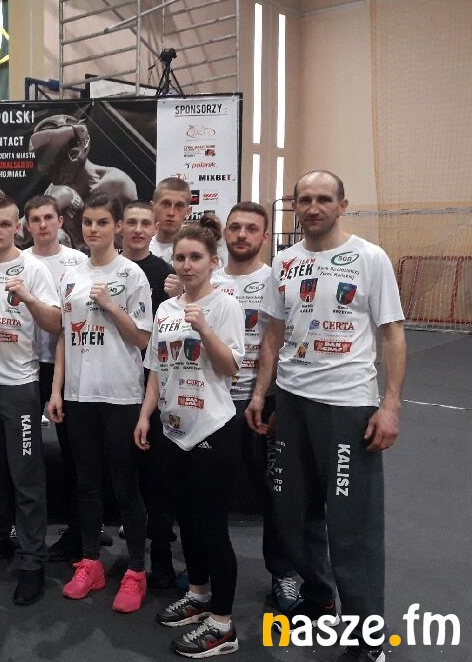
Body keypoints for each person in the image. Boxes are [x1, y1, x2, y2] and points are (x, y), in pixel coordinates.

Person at [246, 171, 406, 662]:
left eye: (323, 199)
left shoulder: (369, 258)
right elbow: (274, 334)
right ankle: (320, 600)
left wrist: (390, 404)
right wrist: (262, 394)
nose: (312, 207)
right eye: (304, 199)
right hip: (292, 403)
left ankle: (367, 636)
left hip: (347, 405)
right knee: (296, 514)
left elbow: (393, 334)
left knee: (351, 526)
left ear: (342, 205)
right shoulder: (285, 262)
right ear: (294, 206)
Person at [135, 216, 245, 658]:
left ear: (213, 261)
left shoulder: (225, 305)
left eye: (195, 257)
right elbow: (157, 369)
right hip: (173, 430)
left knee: (211, 526)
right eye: (180, 257)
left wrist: (205, 330)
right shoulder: (166, 309)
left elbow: (231, 368)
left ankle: (223, 624)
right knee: (186, 520)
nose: (186, 264)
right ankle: (198, 594)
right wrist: (145, 416)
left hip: (213, 428)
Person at [46, 194, 154, 614]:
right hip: (79, 395)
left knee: (125, 486)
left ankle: (137, 571)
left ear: (117, 227)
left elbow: (142, 338)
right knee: (86, 483)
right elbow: (63, 335)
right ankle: (90, 563)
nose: (93, 229)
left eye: (102, 222)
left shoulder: (132, 274)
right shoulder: (71, 274)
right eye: (88, 222)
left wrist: (110, 305)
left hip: (120, 395)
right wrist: (57, 389)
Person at [209, 202, 313, 613]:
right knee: (208, 489)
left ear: (265, 237)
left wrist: (267, 396)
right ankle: (204, 567)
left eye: (251, 229)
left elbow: (281, 343)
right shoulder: (207, 280)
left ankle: (283, 572)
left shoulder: (276, 280)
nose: (241, 235)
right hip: (213, 401)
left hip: (261, 399)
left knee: (274, 491)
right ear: (225, 233)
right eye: (235, 227)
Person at [0, 194, 60, 605]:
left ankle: (33, 559)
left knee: (26, 476)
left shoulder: (34, 268)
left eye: (5, 224)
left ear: (17, 227)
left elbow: (55, 323)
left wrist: (30, 298)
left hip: (19, 384)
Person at [24, 195, 88, 562]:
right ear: (27, 225)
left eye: (48, 217)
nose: (43, 224)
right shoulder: (19, 261)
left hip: (68, 365)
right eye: (35, 219)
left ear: (60, 221)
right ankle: (24, 526)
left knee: (74, 452)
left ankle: (80, 529)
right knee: (24, 452)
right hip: (26, 366)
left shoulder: (78, 261)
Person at [120, 200, 179, 589]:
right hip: (114, 386)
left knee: (158, 476)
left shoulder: (166, 274)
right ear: (121, 228)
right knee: (123, 474)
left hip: (156, 384)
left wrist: (181, 290)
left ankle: (160, 555)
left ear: (155, 229)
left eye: (145, 223)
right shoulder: (104, 270)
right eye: (132, 223)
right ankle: (129, 558)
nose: (139, 229)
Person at [29, 114, 138, 250]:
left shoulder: (116, 184)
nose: (43, 168)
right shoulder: (56, 191)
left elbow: (133, 239)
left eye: (48, 158)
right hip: (80, 262)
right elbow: (26, 229)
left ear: (74, 152)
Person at [148, 177, 193, 263]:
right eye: (166, 204)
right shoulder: (140, 249)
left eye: (179, 206)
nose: (171, 213)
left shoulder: (199, 250)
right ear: (152, 207)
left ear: (188, 212)